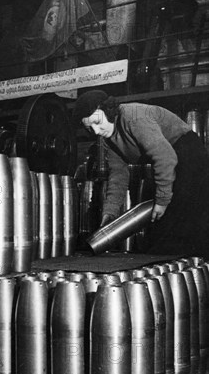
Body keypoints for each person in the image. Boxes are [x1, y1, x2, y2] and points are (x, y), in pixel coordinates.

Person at [73, 89, 209, 257]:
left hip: (188, 152)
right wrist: (110, 212)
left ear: (108, 110)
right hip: (170, 157)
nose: (96, 131)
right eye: (89, 127)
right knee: (167, 224)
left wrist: (162, 200)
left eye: (97, 122)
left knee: (180, 217)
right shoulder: (109, 139)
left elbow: (166, 158)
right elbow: (118, 176)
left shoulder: (134, 118)